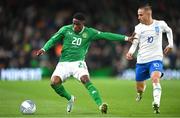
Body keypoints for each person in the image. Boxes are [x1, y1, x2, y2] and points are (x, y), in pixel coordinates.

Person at [36, 12, 135, 114]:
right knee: (54, 83)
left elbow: (106, 35)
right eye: (73, 23)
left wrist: (126, 38)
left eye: (77, 24)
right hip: (63, 63)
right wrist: (44, 49)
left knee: (85, 80)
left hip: (78, 63)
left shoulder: (89, 32)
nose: (75, 26)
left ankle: (101, 105)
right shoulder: (65, 29)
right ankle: (70, 98)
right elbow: (53, 39)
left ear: (83, 23)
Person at [126, 4, 173, 114]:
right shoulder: (138, 27)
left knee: (155, 79)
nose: (138, 17)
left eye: (140, 15)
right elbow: (135, 42)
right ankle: (140, 93)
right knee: (139, 88)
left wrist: (170, 44)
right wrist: (130, 52)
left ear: (148, 14)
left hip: (155, 59)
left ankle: (156, 103)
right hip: (141, 61)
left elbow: (169, 30)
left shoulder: (160, 24)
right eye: (138, 15)